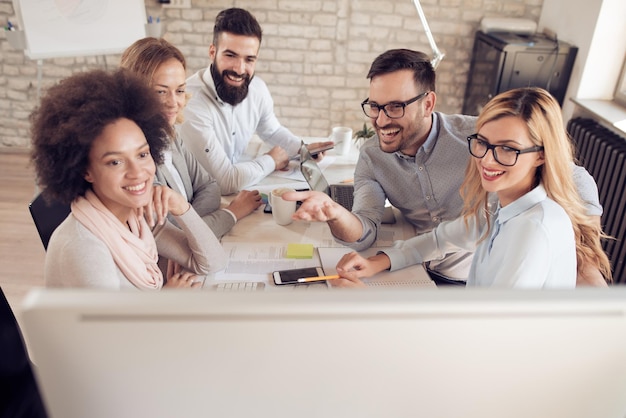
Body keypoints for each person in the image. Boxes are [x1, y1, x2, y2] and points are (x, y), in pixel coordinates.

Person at [284, 49, 609, 286]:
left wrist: (586, 254)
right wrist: (368, 255)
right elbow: (440, 238)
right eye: (375, 107)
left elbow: (495, 331)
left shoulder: (529, 227)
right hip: (429, 278)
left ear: (428, 103)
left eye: (395, 107)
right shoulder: (495, 208)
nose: (487, 159)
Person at [30, 69, 226, 290]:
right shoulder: (86, 249)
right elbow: (115, 326)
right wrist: (169, 300)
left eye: (142, 154)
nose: (137, 172)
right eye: (115, 161)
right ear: (86, 170)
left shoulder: (135, 216)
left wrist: (180, 206)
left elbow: (214, 262)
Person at [180, 7, 333, 195]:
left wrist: (303, 150)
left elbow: (272, 130)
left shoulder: (257, 89)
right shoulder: (189, 101)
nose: (239, 69)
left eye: (249, 59)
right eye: (230, 55)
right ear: (212, 52)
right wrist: (271, 160)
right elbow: (225, 182)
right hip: (199, 198)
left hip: (239, 189)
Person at [120, 37, 262, 239]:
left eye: (179, 90)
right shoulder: (133, 158)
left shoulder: (169, 135)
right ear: (135, 92)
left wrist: (187, 220)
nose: (174, 102)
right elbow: (176, 238)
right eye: (160, 91)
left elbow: (210, 186)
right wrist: (232, 212)